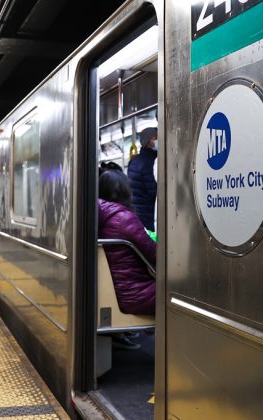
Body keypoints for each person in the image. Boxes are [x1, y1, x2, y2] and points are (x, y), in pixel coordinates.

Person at [98, 170, 156, 348]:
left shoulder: (99, 216)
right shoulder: (125, 219)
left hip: (117, 289)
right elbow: (155, 256)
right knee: (182, 293)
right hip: (135, 294)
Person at [127, 127, 157, 231]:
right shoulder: (149, 163)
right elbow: (155, 192)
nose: (159, 141)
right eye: (156, 138)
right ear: (148, 142)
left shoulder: (134, 161)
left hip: (137, 213)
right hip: (148, 215)